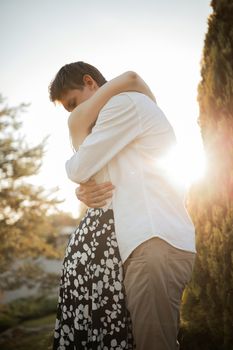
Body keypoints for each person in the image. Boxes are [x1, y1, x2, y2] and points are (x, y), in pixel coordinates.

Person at [50, 61, 196, 350]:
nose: (78, 113)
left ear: (90, 82)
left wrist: (74, 124)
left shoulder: (123, 105)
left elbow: (78, 168)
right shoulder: (120, 119)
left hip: (154, 244)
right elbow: (95, 178)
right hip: (149, 245)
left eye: (74, 104)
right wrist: (84, 191)